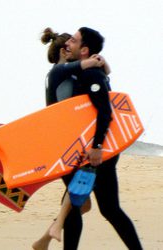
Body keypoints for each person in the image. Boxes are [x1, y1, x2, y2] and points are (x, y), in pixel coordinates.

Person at [42, 27, 143, 250]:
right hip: (79, 150)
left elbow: (105, 112)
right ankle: (49, 236)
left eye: (74, 41)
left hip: (96, 153)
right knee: (98, 207)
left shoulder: (90, 75)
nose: (69, 44)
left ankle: (50, 236)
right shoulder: (70, 73)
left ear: (84, 49)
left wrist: (97, 146)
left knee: (99, 207)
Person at [32, 28, 111, 250]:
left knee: (82, 203)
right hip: (62, 144)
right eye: (68, 47)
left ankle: (45, 239)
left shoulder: (67, 74)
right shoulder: (57, 72)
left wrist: (103, 66)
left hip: (69, 142)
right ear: (63, 53)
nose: (71, 50)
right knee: (78, 203)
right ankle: (50, 235)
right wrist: (97, 61)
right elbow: (83, 65)